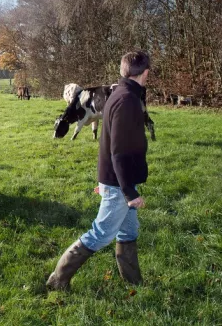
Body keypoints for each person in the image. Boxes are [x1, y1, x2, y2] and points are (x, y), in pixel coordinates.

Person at [47, 50, 151, 289]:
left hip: (116, 179)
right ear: (146, 73)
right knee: (100, 234)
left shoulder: (119, 94)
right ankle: (58, 280)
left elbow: (107, 140)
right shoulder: (126, 100)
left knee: (128, 231)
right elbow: (120, 151)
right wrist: (128, 192)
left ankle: (134, 282)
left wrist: (106, 180)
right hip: (119, 184)